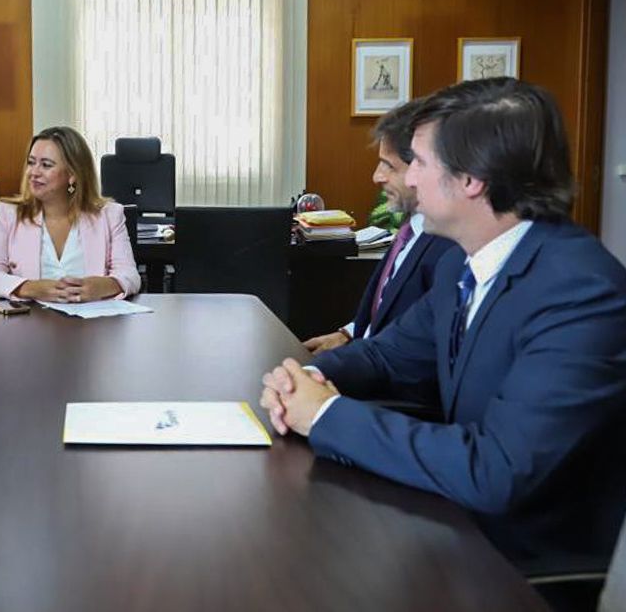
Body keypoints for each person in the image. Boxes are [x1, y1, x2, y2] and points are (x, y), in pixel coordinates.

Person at [259, 77, 626, 572]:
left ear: (472, 178)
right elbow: (389, 353)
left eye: (421, 163)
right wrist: (313, 378)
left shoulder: (582, 293)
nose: (408, 180)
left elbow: (497, 471)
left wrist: (324, 415)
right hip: (445, 521)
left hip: (517, 569)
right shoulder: (462, 262)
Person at [303, 99, 457, 354]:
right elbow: (387, 311)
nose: (377, 176)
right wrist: (348, 334)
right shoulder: (411, 229)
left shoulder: (448, 245)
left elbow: (420, 351)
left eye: (389, 165)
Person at [0, 126, 140, 302]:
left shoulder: (109, 215)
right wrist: (31, 288)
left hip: (92, 325)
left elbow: (130, 275)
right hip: (29, 324)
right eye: (31, 162)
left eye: (46, 165)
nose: (34, 172)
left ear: (72, 175)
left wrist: (102, 286)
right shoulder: (8, 213)